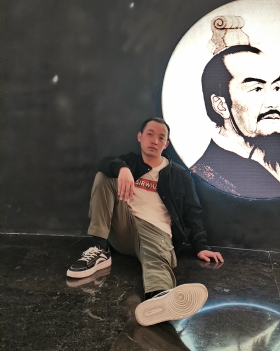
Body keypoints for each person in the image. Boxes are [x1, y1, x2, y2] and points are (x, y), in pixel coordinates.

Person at [67, 117, 224, 326]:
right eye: (150, 134)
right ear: (140, 137)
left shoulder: (178, 174)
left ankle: (158, 299)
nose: (154, 141)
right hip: (124, 228)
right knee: (104, 176)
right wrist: (122, 169)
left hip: (156, 230)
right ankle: (100, 250)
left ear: (166, 144)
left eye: (161, 138)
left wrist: (201, 246)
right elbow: (105, 163)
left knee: (156, 261)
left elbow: (192, 211)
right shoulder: (129, 162)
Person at [191, 45, 280, 199]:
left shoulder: (278, 157)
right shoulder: (204, 177)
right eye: (257, 89)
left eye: (276, 88)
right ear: (221, 105)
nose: (273, 103)